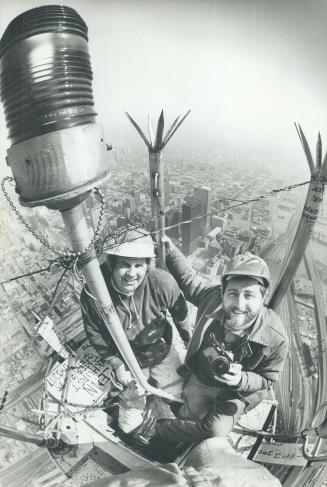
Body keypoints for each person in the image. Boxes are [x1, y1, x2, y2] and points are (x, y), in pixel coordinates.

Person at [152, 239, 288, 448]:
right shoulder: (212, 299)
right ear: (223, 292)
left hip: (235, 393)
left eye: (249, 295)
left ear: (263, 296)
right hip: (203, 377)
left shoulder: (275, 338)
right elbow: (190, 283)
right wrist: (170, 252)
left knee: (215, 430)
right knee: (189, 414)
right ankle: (170, 441)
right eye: (233, 293)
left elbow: (267, 379)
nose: (239, 305)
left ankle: (163, 429)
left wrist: (240, 380)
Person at [80, 228, 191, 400]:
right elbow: (94, 331)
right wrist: (116, 364)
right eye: (125, 264)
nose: (132, 273)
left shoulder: (161, 282)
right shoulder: (95, 292)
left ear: (147, 265)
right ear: (112, 264)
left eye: (138, 265)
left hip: (162, 350)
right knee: (131, 412)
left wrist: (187, 340)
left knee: (176, 395)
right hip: (126, 359)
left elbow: (180, 312)